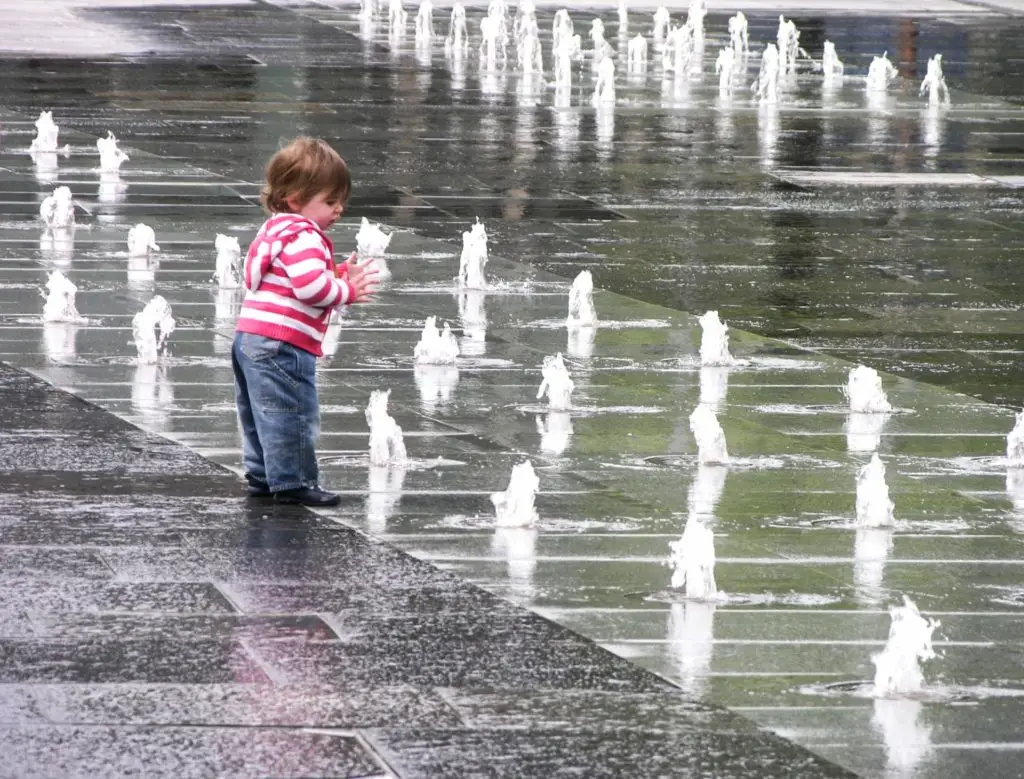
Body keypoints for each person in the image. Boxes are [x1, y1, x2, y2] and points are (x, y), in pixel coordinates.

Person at [232, 137, 378, 507]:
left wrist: (337, 272)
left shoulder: (275, 232)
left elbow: (270, 278)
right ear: (295, 200)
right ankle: (293, 481)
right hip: (283, 343)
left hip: (250, 338)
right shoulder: (306, 237)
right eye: (329, 202)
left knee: (258, 412)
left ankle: (263, 474)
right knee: (291, 413)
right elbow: (311, 288)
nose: (339, 209)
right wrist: (346, 289)